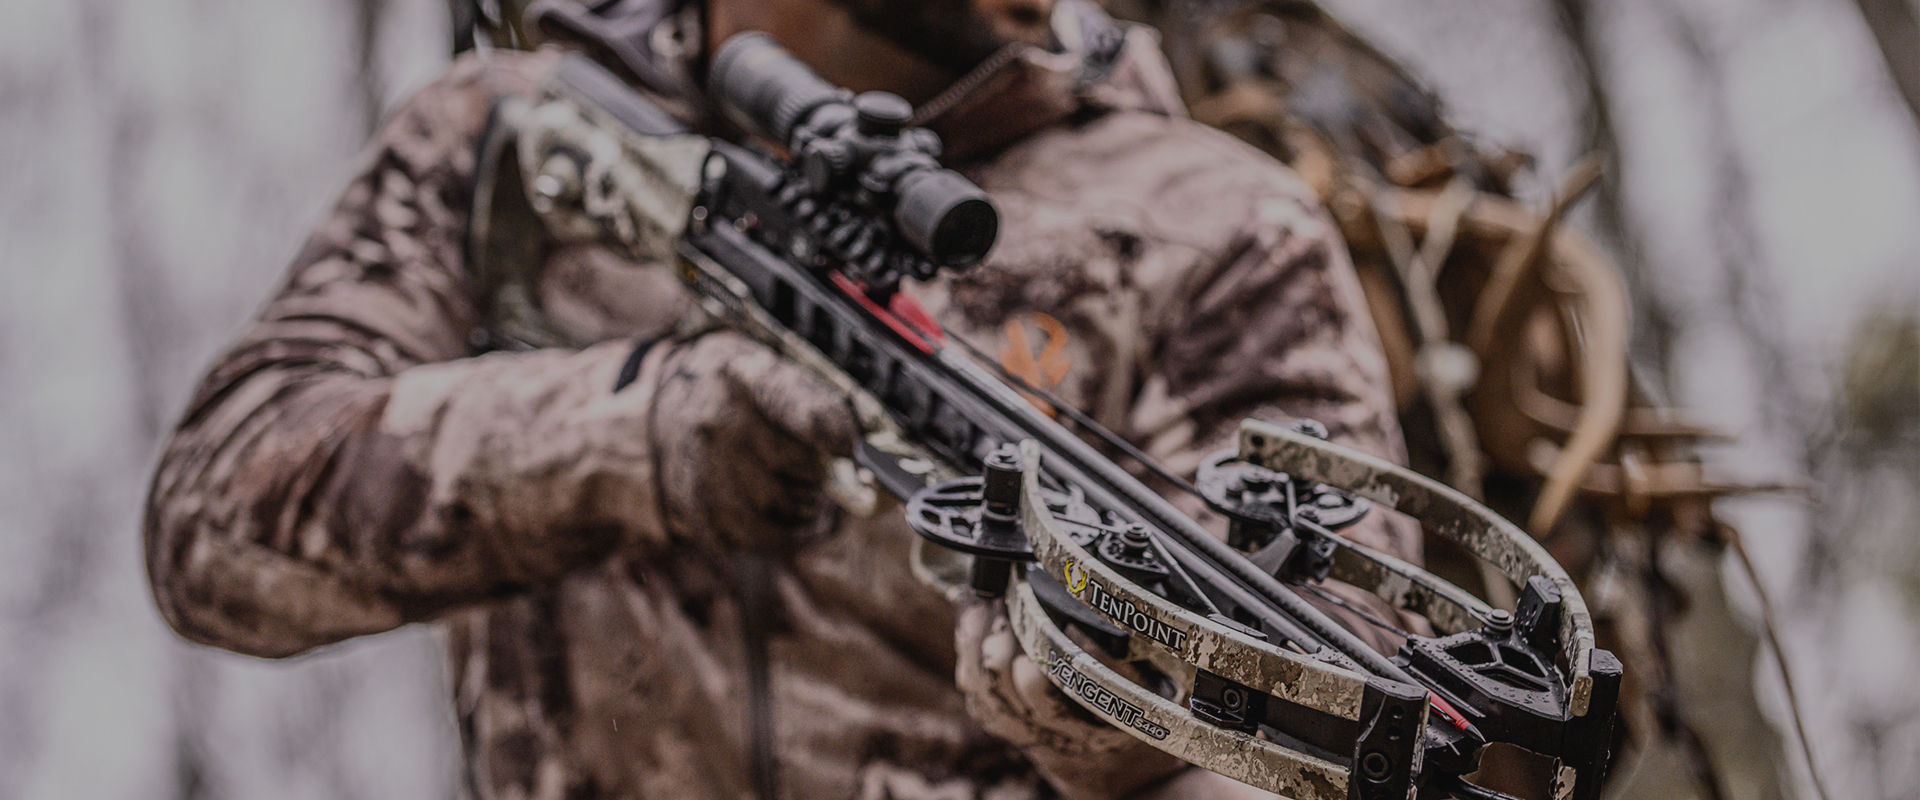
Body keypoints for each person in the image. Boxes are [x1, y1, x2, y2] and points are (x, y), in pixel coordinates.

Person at [143, 0, 1420, 797]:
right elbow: (216, 521)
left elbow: (1333, 700)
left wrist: (1108, 713)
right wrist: (631, 434)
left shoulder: (1217, 213)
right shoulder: (500, 136)